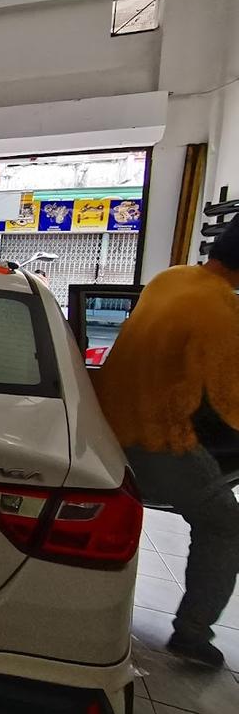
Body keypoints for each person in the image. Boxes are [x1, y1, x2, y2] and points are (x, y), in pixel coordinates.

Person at [95, 217, 239, 667]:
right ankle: (193, 635)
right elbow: (232, 402)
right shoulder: (219, 308)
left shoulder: (170, 278)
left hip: (107, 427)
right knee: (224, 525)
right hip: (157, 440)